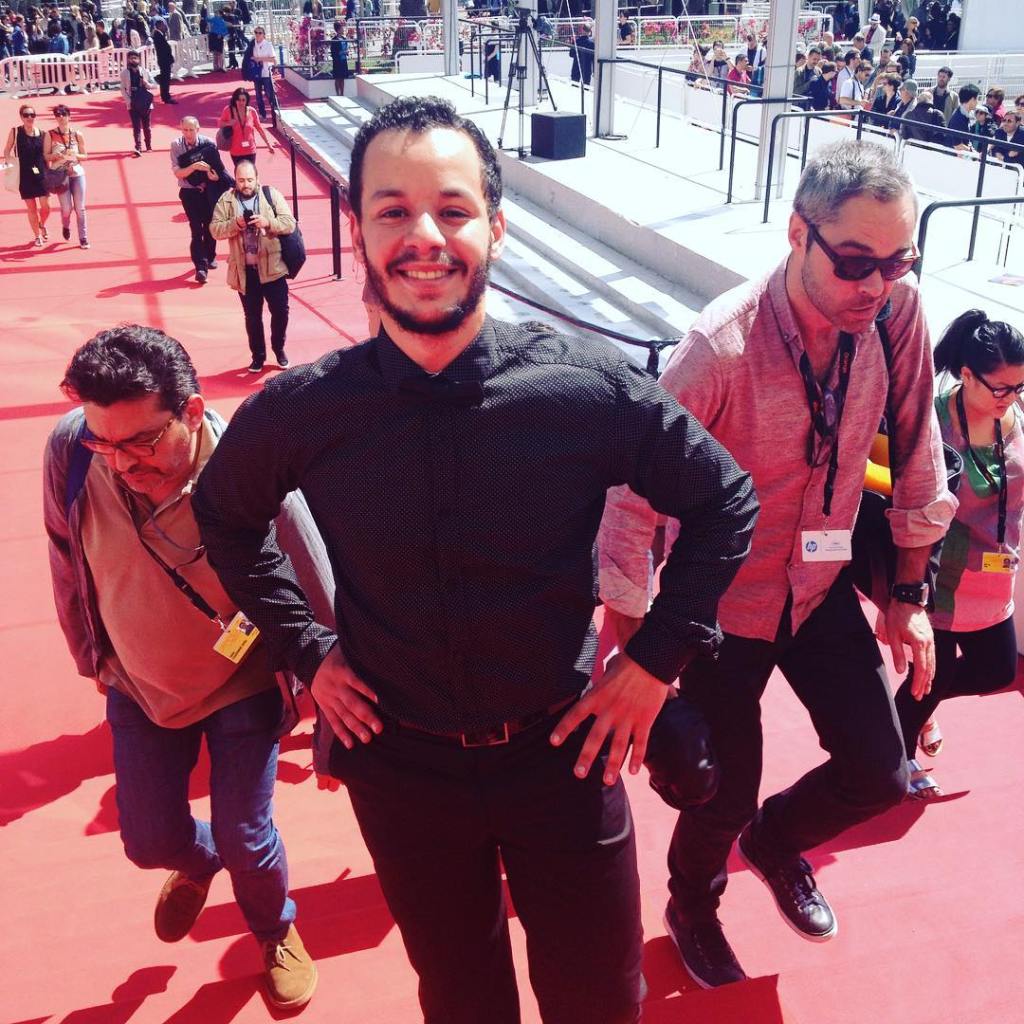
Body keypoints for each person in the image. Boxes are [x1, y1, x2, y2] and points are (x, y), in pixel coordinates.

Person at [192, 94, 759, 1024]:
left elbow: (725, 500)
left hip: (563, 755)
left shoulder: (581, 385)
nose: (425, 236)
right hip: (400, 766)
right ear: (358, 227)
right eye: (394, 210)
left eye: (452, 209)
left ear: (495, 226)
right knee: (459, 1001)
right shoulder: (304, 410)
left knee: (599, 1003)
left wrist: (656, 662)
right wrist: (306, 649)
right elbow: (223, 516)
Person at [598, 139, 956, 988]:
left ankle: (777, 839)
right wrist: (638, 660)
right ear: (798, 233)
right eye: (856, 262)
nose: (877, 285)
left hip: (823, 584)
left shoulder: (895, 313)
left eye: (898, 262)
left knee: (881, 773)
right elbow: (629, 504)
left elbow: (918, 448)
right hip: (721, 604)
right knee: (720, 790)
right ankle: (694, 903)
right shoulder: (719, 349)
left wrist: (909, 593)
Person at [43, 325, 329, 1012]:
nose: (120, 463)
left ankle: (274, 930)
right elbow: (64, 552)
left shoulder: (249, 468)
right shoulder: (72, 451)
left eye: (141, 443)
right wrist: (88, 653)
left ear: (192, 412)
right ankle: (201, 862)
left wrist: (330, 717)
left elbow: (319, 588)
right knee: (148, 842)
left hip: (243, 680)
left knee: (247, 837)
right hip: (139, 681)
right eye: (105, 443)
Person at [889, 312, 1024, 800]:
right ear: (966, 374)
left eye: (1019, 387)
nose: (1010, 397)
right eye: (1001, 387)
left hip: (994, 577)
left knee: (997, 670)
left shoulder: (1018, 416)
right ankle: (901, 756)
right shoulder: (933, 423)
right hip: (938, 576)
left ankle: (914, 710)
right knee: (933, 674)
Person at [209, 160, 294, 372]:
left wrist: (268, 222)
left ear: (257, 179)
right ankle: (258, 356)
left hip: (273, 269)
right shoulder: (227, 200)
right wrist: (235, 224)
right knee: (253, 317)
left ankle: (279, 348)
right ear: (235, 180)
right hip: (245, 272)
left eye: (249, 180)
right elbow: (214, 230)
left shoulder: (271, 195)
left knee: (281, 312)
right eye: (241, 180)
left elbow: (289, 223)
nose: (245, 184)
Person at [171, 115, 233, 283]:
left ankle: (211, 255)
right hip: (189, 192)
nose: (188, 134)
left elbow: (219, 170)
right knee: (196, 229)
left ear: (197, 129)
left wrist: (214, 177)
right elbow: (178, 173)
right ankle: (201, 267)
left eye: (191, 130)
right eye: (185, 130)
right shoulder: (176, 145)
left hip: (208, 191)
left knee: (210, 226)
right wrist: (193, 167)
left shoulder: (208, 143)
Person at [4, 104, 52, 247]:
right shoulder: (15, 132)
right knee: (32, 208)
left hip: (41, 174)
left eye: (32, 115)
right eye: (26, 115)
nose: (29, 117)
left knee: (46, 206)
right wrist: (9, 161)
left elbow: (46, 155)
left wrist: (51, 172)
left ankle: (41, 224)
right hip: (24, 176)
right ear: (21, 117)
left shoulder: (43, 134)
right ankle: (37, 235)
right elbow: (7, 150)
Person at [43, 104, 88, 249]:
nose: (60, 117)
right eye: (57, 114)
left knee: (80, 207)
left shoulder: (77, 134)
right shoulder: (50, 134)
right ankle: (66, 225)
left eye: (63, 114)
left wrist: (75, 155)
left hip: (77, 173)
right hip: (59, 174)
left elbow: (85, 155)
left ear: (69, 116)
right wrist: (54, 156)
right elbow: (46, 156)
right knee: (67, 208)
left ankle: (83, 237)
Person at [218, 87, 274, 167]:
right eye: (238, 100)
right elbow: (220, 124)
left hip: (250, 150)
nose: (241, 102)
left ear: (247, 100)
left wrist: (268, 144)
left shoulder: (252, 111)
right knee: (240, 172)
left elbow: (259, 129)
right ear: (234, 100)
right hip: (236, 151)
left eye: (243, 100)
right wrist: (229, 123)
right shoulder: (228, 110)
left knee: (250, 172)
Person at [120, 49, 156, 156]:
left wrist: (147, 84)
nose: (133, 60)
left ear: (139, 59)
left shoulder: (145, 71)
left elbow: (155, 85)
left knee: (147, 126)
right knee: (136, 127)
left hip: (145, 102)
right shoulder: (124, 73)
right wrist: (128, 101)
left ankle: (148, 146)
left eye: (135, 58)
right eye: (131, 58)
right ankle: (138, 148)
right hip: (133, 102)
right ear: (128, 60)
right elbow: (122, 89)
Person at [249, 25, 276, 120]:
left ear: (264, 35)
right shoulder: (252, 45)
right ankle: (262, 114)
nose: (257, 34)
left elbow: (273, 59)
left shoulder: (268, 45)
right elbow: (249, 57)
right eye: (256, 32)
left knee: (269, 94)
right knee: (258, 95)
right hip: (256, 73)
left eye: (260, 33)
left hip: (266, 72)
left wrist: (260, 59)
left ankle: (275, 112)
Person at [947, 82, 979, 149]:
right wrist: (973, 153)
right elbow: (957, 145)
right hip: (952, 154)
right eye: (976, 99)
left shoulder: (965, 115)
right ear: (972, 99)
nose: (977, 102)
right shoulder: (958, 118)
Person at [152, 18, 177, 104]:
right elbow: (163, 49)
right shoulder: (157, 35)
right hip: (164, 60)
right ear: (159, 26)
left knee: (165, 78)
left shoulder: (160, 34)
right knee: (165, 79)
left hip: (165, 60)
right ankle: (166, 97)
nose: (165, 26)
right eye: (163, 25)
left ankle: (165, 95)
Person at [570, 21, 593, 87]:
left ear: (582, 30)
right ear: (589, 32)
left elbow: (571, 54)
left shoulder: (576, 41)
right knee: (586, 87)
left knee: (574, 86)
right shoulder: (592, 44)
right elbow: (593, 58)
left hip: (576, 66)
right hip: (587, 68)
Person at [330, 19, 349, 95]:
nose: (343, 29)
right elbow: (333, 52)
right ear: (338, 30)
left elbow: (345, 48)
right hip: (337, 61)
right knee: (337, 78)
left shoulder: (344, 39)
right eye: (341, 28)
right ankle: (337, 94)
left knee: (342, 78)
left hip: (343, 61)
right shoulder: (334, 40)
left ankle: (342, 94)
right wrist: (342, 53)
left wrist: (346, 52)